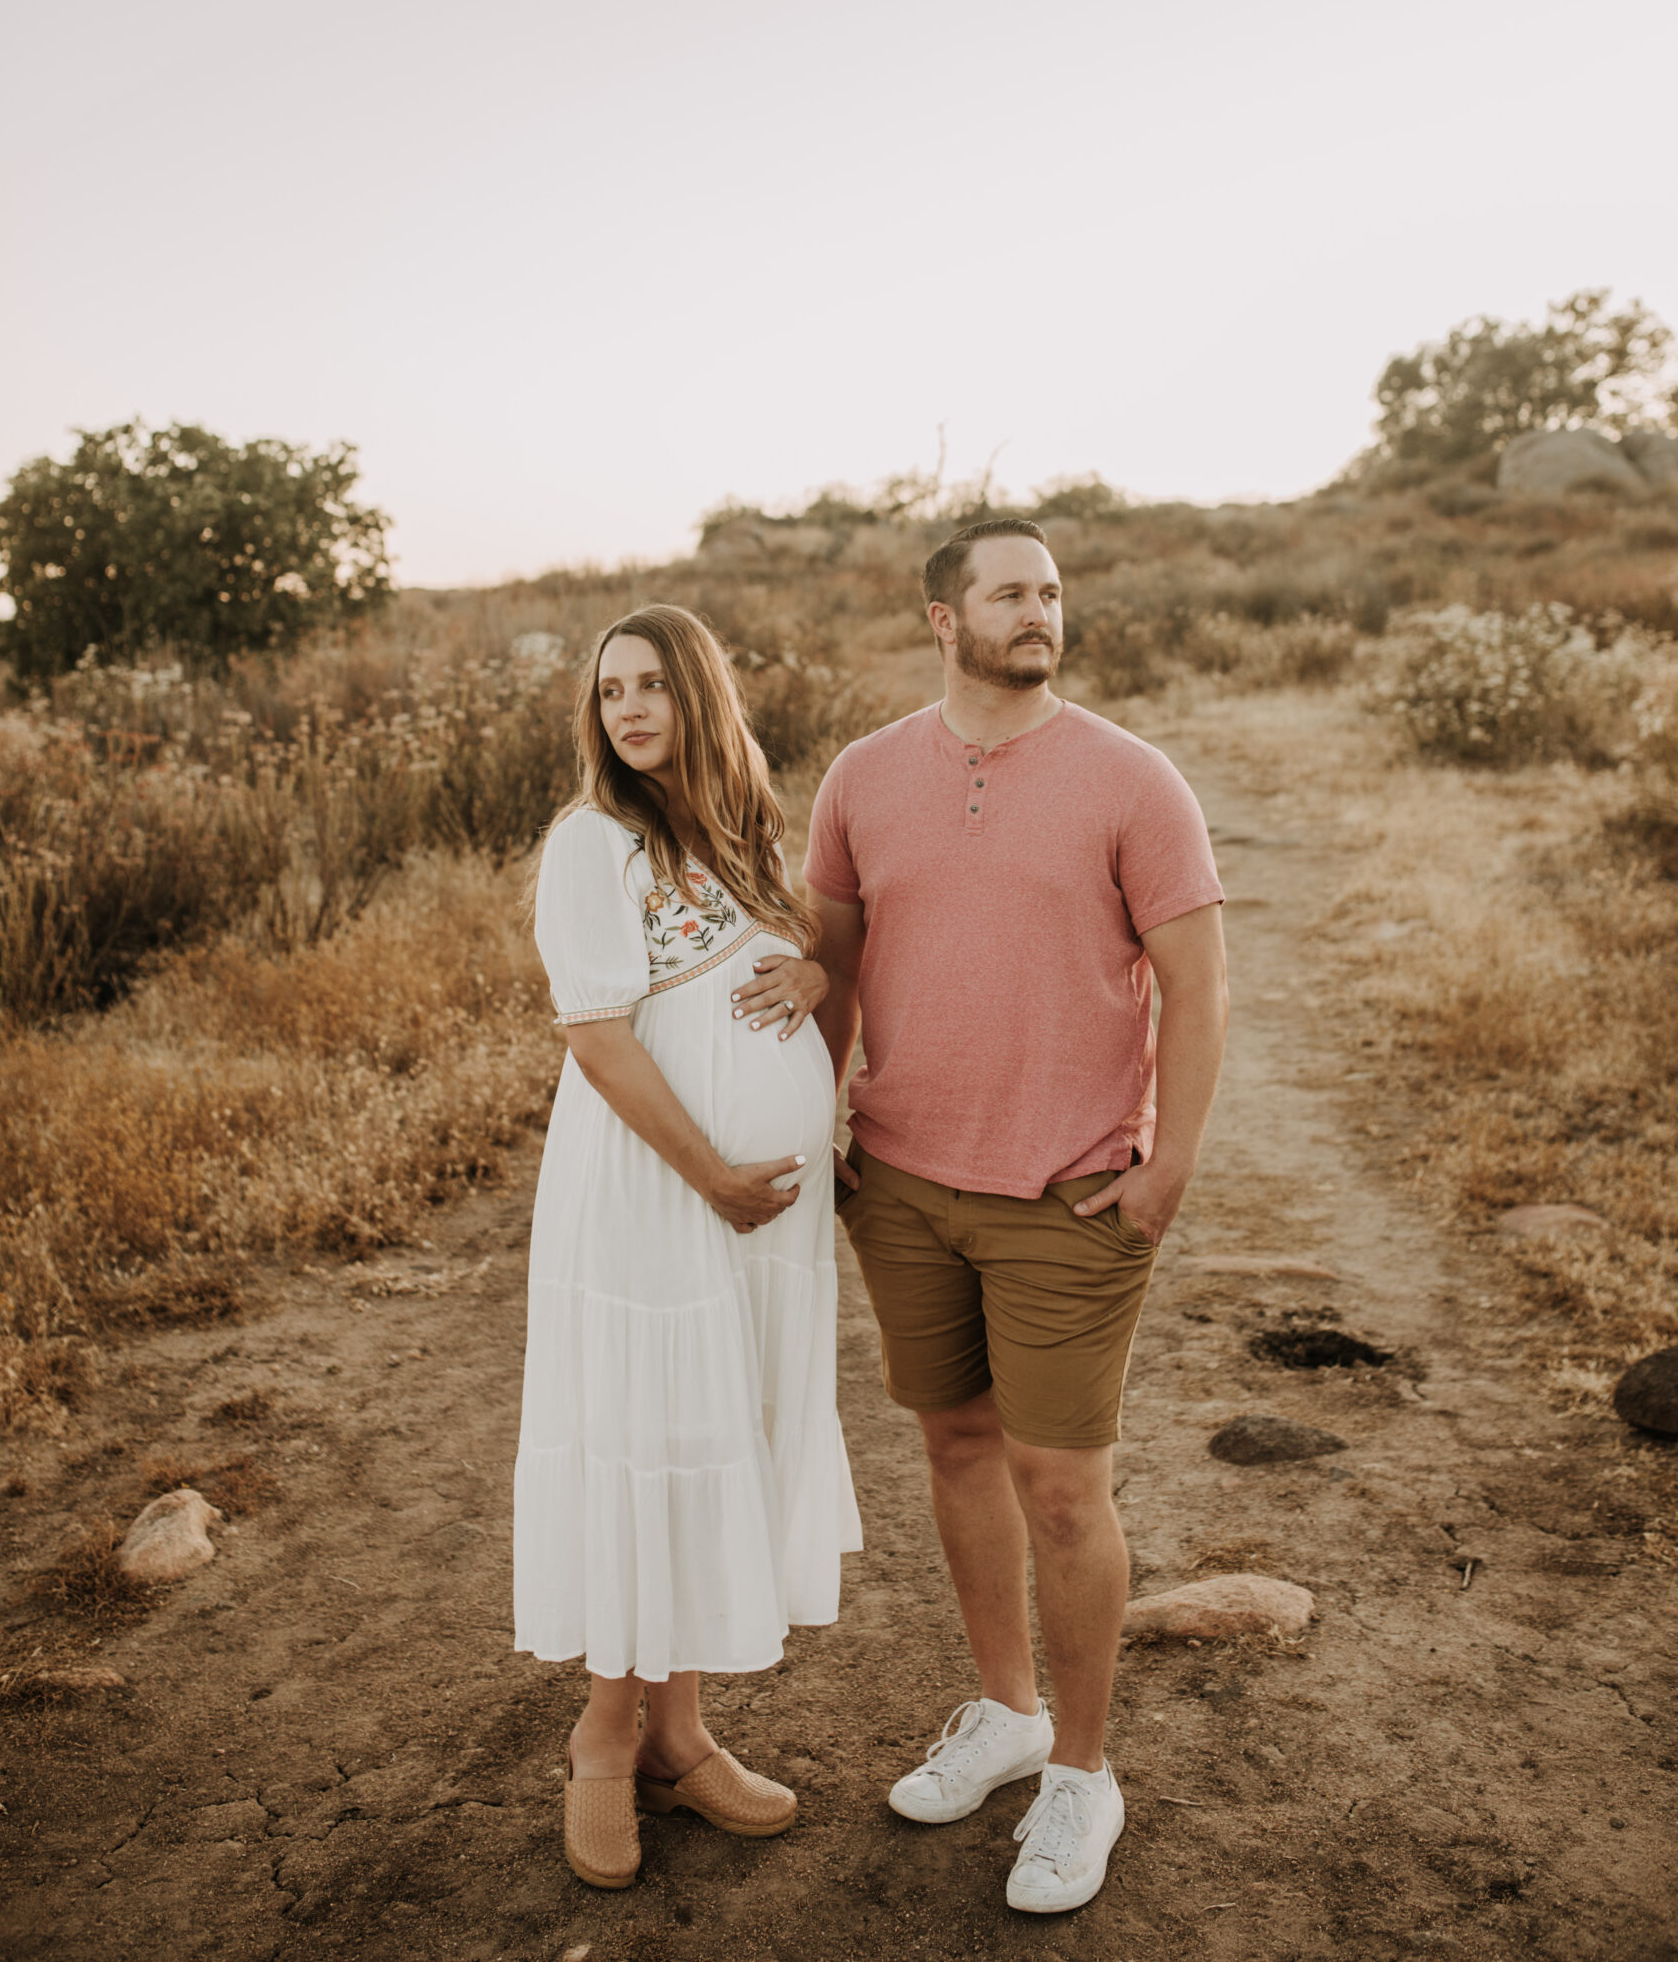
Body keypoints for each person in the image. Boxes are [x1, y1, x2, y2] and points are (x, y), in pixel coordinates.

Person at [806, 517, 1228, 1918]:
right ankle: (1008, 1712)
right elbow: (837, 967)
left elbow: (1198, 984)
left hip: (1068, 1191)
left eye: (1050, 591)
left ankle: (1084, 1777)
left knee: (1062, 1485)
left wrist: (1167, 1169)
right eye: (1008, 593)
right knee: (958, 1444)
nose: (1039, 611)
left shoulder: (1131, 778)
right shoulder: (864, 777)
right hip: (906, 1181)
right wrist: (820, 1116)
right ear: (944, 620)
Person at [514, 604, 861, 1892]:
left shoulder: (739, 831)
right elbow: (598, 1036)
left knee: (727, 1429)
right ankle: (604, 1741)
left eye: (655, 684)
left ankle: (681, 1732)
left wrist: (817, 985)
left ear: (701, 695)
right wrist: (712, 1171)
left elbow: (793, 959)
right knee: (652, 1432)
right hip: (659, 1193)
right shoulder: (590, 842)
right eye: (611, 692)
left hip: (760, 1222)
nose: (630, 710)